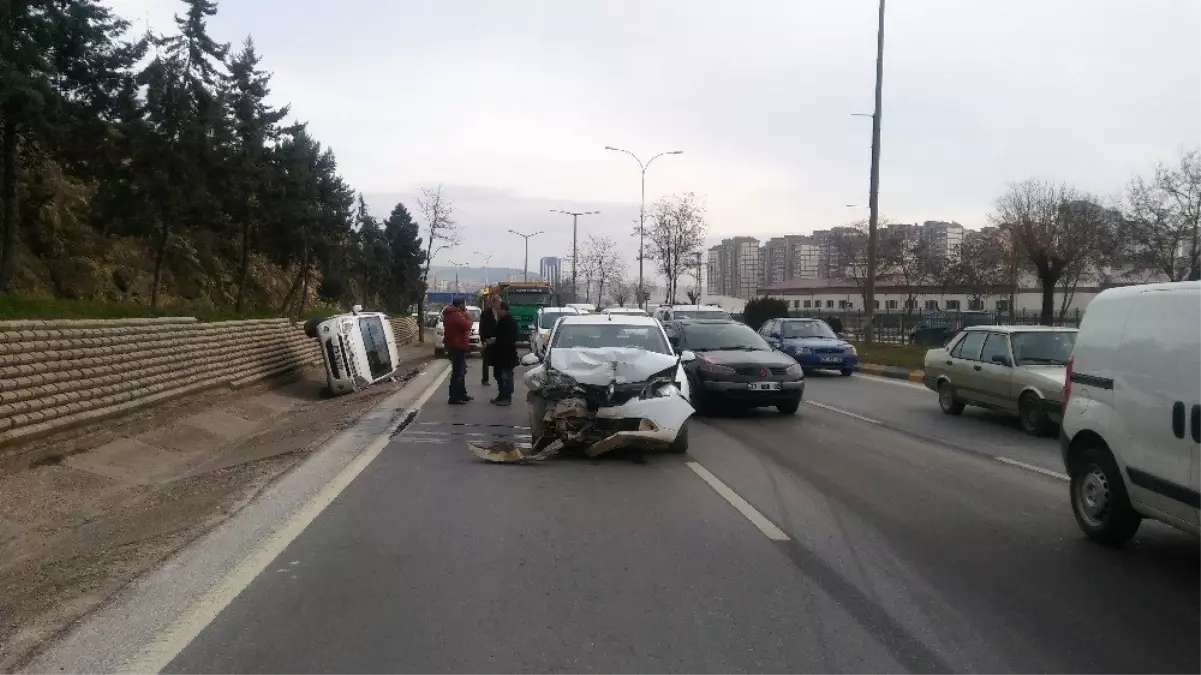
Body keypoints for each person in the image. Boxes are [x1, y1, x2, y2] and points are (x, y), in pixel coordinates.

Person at [442, 299, 473, 404]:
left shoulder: (451, 313)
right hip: (457, 346)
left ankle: (461, 394)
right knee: (458, 372)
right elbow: (466, 325)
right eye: (464, 304)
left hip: (456, 345)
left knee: (462, 371)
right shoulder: (455, 314)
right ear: (460, 305)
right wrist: (468, 316)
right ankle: (454, 397)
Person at [491, 301, 519, 406]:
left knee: (506, 376)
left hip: (507, 354)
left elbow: (508, 339)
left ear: (504, 310)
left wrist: (497, 340)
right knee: (500, 376)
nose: (497, 312)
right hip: (501, 354)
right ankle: (501, 396)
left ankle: (506, 397)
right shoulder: (503, 320)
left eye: (498, 309)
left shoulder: (509, 321)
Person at [478, 293, 497, 386]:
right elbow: (482, 327)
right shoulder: (486, 313)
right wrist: (484, 340)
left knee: (498, 359)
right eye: (497, 302)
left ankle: (499, 377)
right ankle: (485, 379)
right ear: (493, 303)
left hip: (499, 340)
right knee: (486, 360)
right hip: (488, 339)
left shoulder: (501, 312)